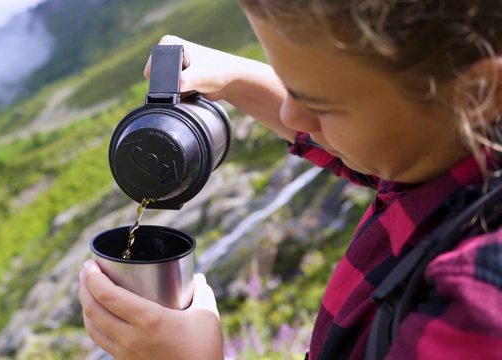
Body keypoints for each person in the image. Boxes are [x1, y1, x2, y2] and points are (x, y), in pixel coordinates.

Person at [78, 0, 502, 358]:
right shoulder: (446, 154)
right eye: (291, 88)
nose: (289, 116)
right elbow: (371, 148)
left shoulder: (478, 304)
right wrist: (237, 78)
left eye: (321, 104)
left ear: (475, 94)